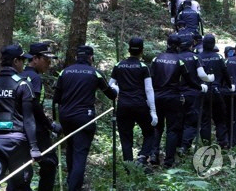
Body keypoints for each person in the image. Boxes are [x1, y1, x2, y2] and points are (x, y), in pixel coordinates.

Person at [0, 44, 41, 191]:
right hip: (17, 144)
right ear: (15, 61)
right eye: (22, 61)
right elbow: (29, 119)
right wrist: (34, 147)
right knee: (21, 185)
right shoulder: (23, 84)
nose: (23, 65)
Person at [53, 46, 117, 190]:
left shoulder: (65, 72)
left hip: (66, 117)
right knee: (80, 153)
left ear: (76, 57)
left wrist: (56, 118)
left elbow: (56, 98)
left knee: (71, 148)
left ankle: (71, 181)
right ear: (90, 58)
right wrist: (116, 89)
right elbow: (111, 95)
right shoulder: (95, 73)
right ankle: (74, 187)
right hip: (84, 118)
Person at [7, 43, 60, 191]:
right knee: (49, 162)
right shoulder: (34, 78)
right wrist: (49, 125)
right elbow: (34, 105)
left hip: (17, 128)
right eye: (46, 60)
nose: (49, 65)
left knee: (19, 168)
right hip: (35, 129)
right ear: (35, 59)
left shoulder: (18, 76)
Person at [150, 35, 208, 168]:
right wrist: (200, 87)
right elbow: (189, 79)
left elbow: (150, 77)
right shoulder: (179, 61)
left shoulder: (156, 58)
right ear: (178, 46)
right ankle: (169, 161)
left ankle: (154, 154)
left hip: (157, 97)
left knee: (157, 127)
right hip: (173, 98)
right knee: (172, 129)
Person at [108, 38, 158, 166]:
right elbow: (149, 89)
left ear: (129, 50)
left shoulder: (118, 65)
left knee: (125, 136)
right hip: (140, 105)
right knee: (150, 132)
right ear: (141, 51)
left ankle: (129, 165)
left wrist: (120, 90)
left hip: (123, 106)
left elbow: (111, 85)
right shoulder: (143, 67)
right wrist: (153, 111)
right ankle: (142, 157)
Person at [177, 38, 213, 154]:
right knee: (191, 121)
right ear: (191, 46)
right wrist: (209, 79)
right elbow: (201, 74)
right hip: (192, 93)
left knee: (179, 121)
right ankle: (184, 146)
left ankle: (177, 146)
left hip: (177, 93)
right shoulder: (195, 57)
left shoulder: (175, 57)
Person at [198, 34, 232, 148]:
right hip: (217, 91)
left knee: (205, 120)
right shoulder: (218, 57)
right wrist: (229, 85)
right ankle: (223, 142)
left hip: (203, 92)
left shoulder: (198, 57)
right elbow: (225, 72)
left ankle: (206, 144)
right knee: (220, 119)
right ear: (213, 44)